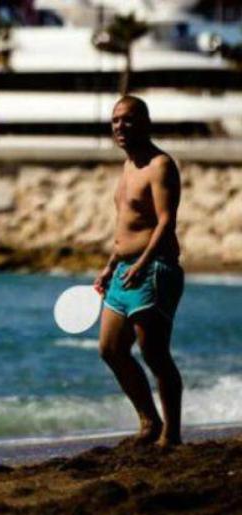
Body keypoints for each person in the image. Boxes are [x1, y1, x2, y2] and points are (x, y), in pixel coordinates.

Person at [94, 96, 185, 449]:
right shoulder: (128, 166)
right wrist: (110, 266)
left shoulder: (160, 165)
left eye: (128, 120)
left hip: (154, 270)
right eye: (115, 120)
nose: (120, 126)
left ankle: (171, 434)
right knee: (110, 349)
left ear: (145, 122)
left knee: (155, 354)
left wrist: (142, 264)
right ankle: (149, 420)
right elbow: (128, 225)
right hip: (124, 271)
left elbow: (165, 221)